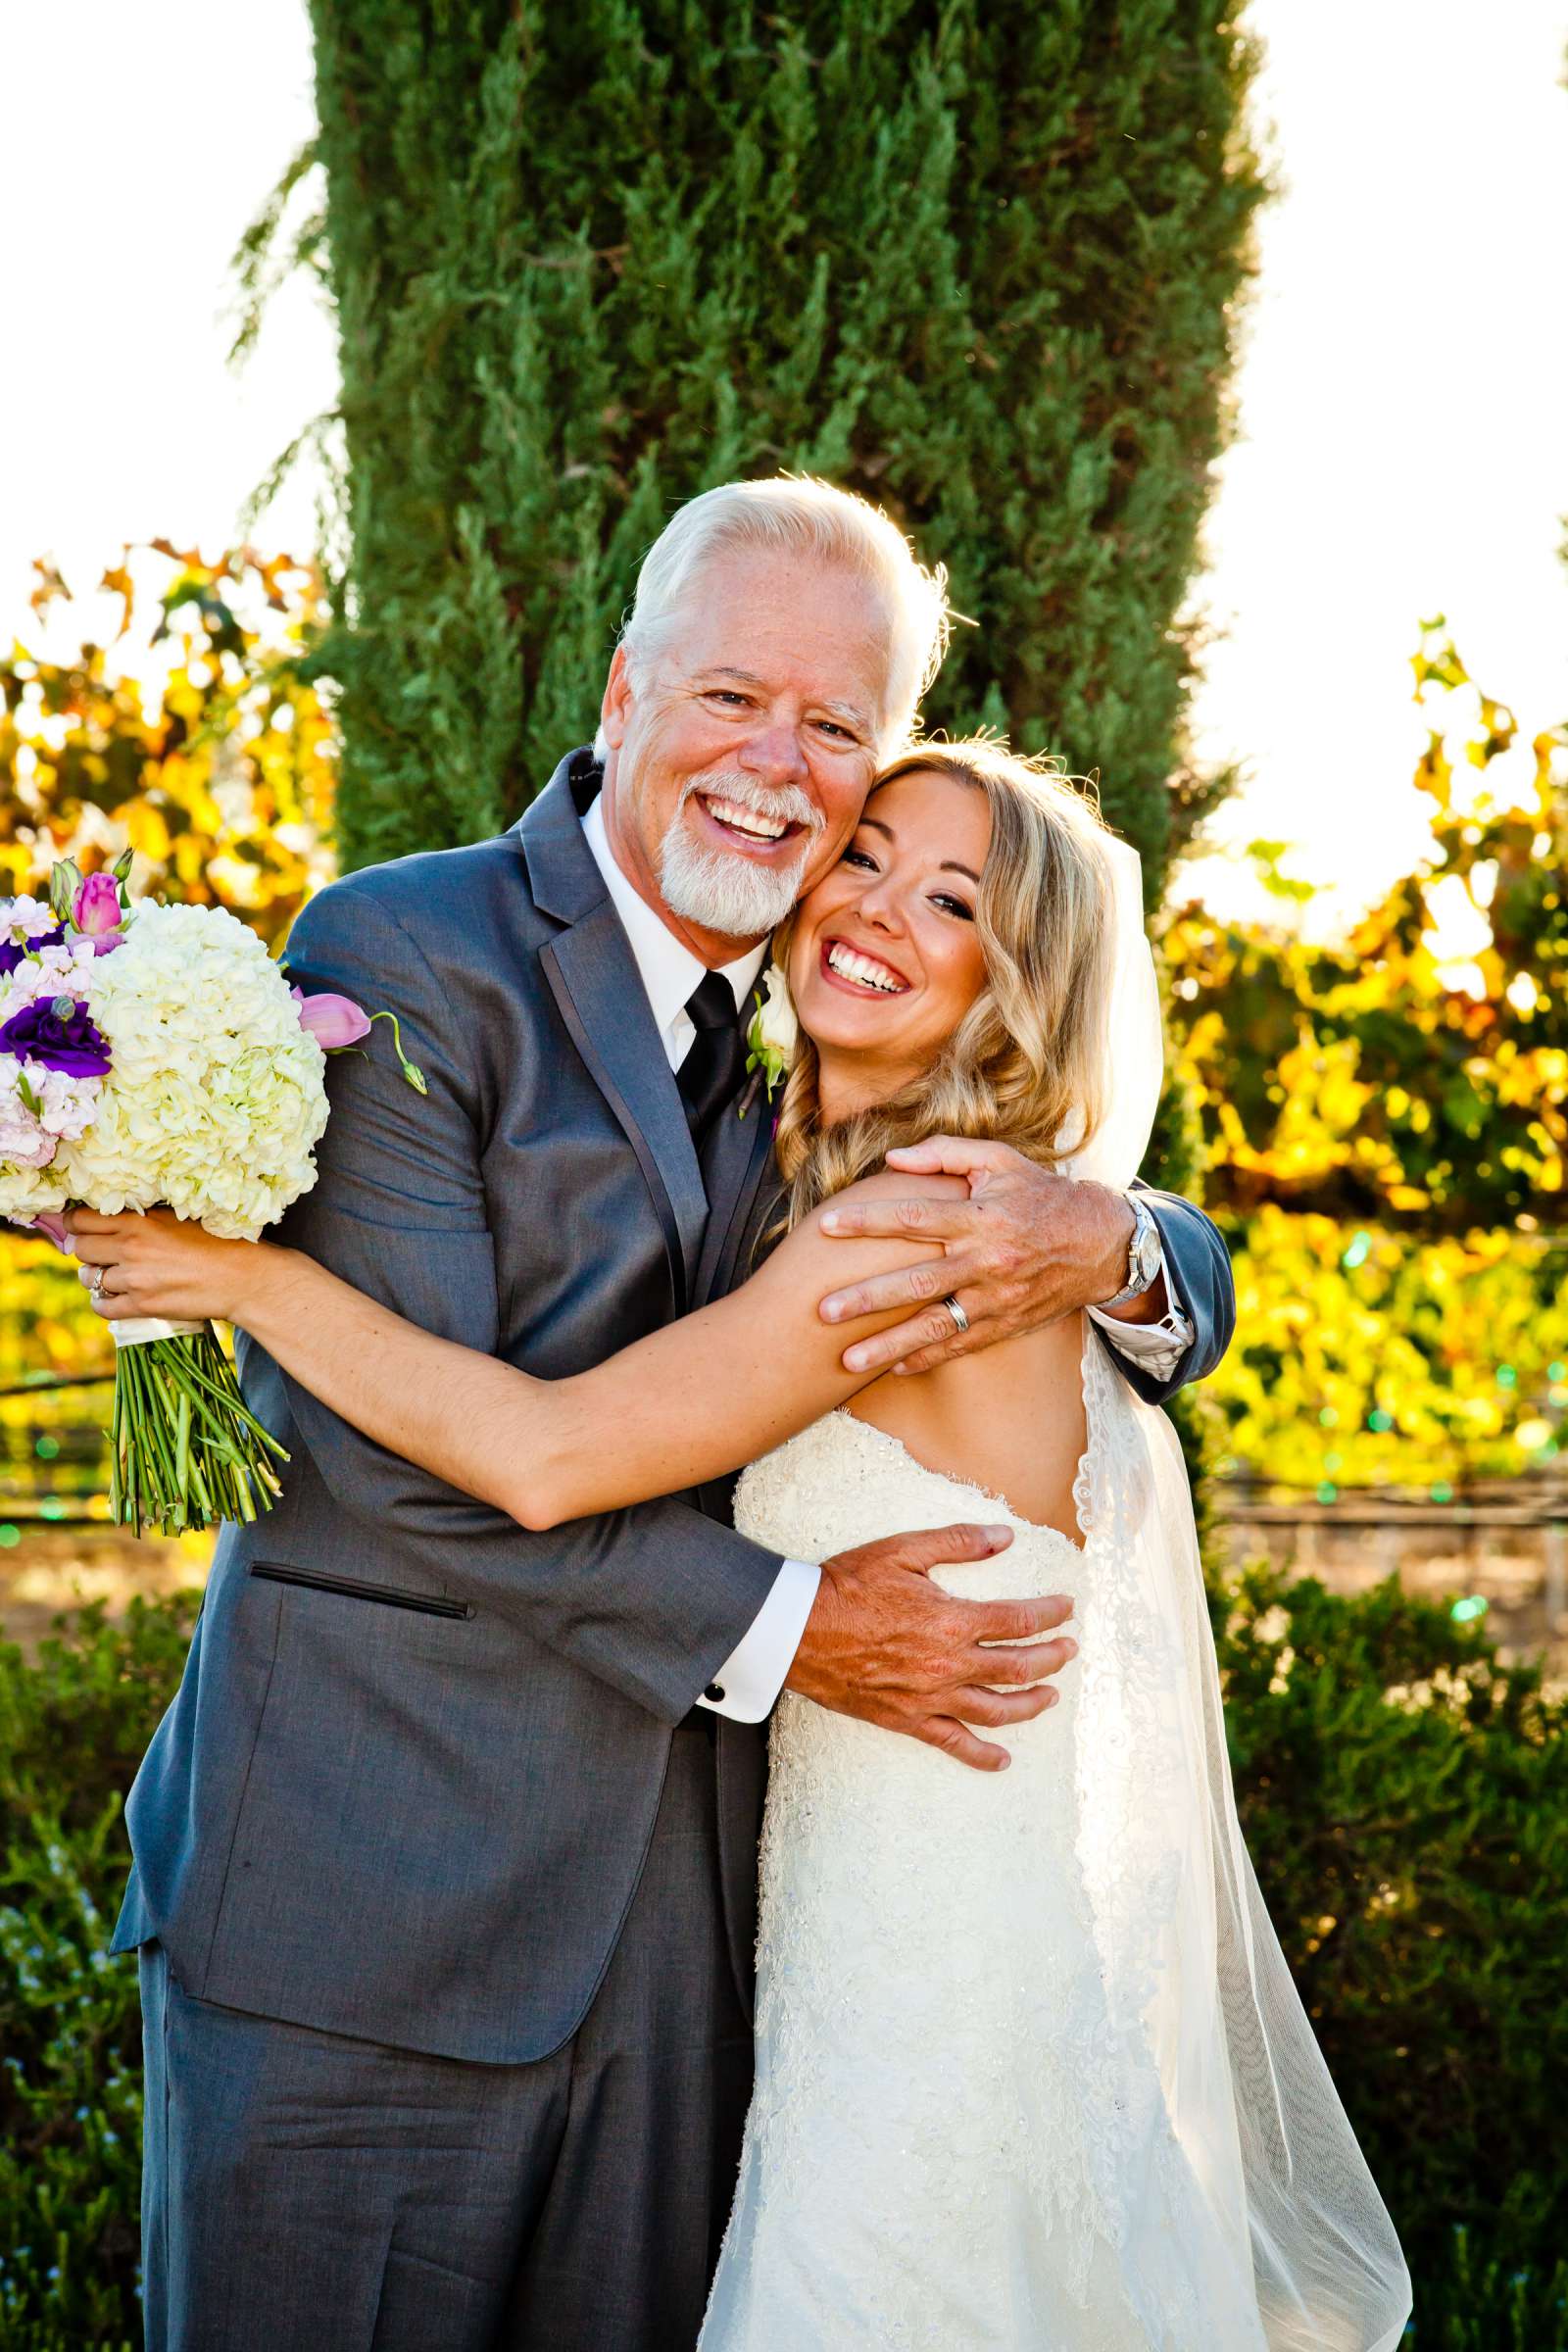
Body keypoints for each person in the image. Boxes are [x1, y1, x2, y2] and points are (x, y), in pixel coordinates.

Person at [80, 479, 1245, 2352]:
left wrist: (1124, 1234)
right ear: (623, 691)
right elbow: (397, 1471)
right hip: (368, 1921)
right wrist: (787, 1630)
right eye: (731, 698)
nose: (782, 774)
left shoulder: (820, 1068)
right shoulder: (403, 962)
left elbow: (1097, 1272)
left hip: (701, 1971)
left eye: (838, 732)